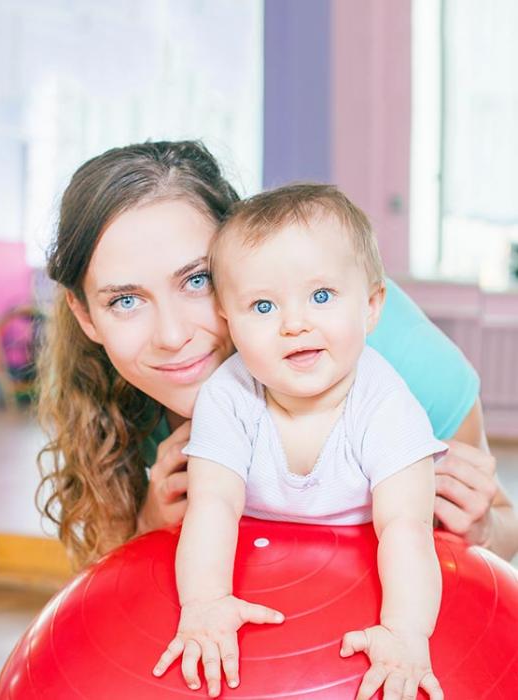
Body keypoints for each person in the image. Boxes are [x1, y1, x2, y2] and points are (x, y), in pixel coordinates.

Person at [36, 139, 518, 573]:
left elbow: (503, 527)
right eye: (125, 301)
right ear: (85, 316)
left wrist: (481, 530)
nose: (172, 335)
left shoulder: (402, 361)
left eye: (198, 280)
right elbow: (107, 585)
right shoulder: (117, 386)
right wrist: (151, 521)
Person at [151, 184, 445, 699]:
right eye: (263, 306)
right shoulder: (228, 395)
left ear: (372, 306)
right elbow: (213, 503)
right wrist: (204, 604)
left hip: (360, 568)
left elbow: (406, 526)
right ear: (228, 320)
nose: (295, 323)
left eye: (322, 296)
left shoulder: (387, 406)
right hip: (260, 563)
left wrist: (405, 631)